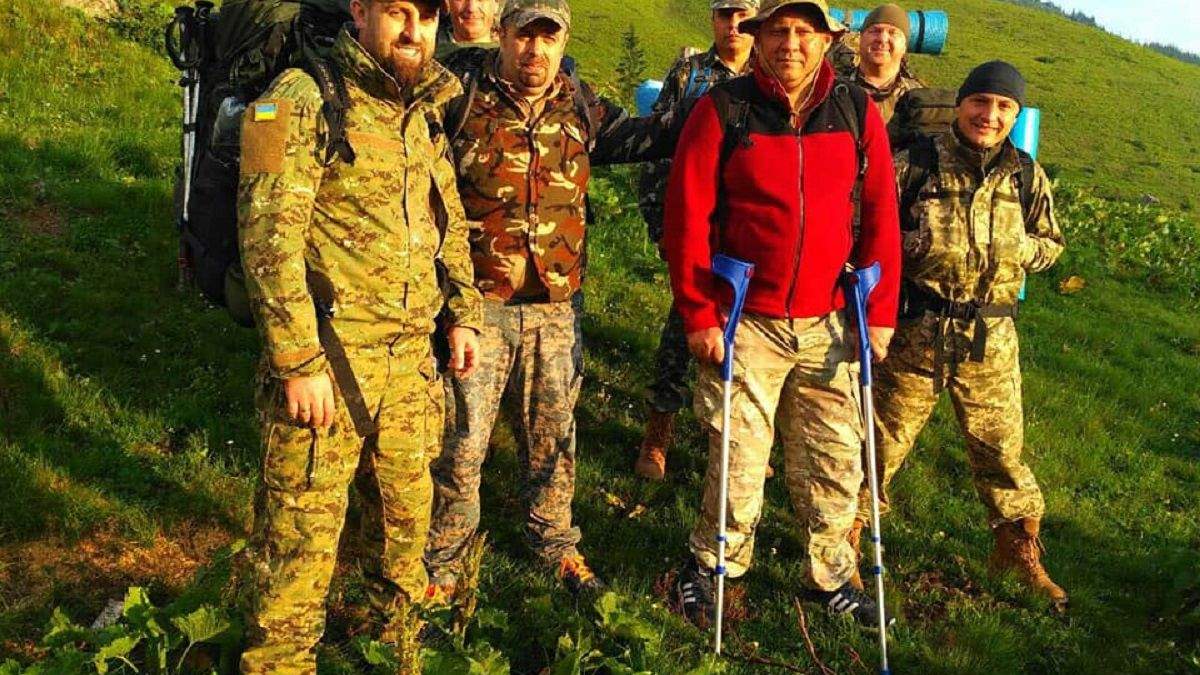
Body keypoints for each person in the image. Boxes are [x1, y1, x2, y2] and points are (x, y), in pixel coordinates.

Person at [235, 0, 482, 670]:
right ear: (360, 10)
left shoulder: (421, 107)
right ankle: (279, 661)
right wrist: (297, 360)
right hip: (328, 368)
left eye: (427, 18)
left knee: (402, 537)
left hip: (409, 371)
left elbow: (447, 215)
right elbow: (266, 238)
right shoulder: (299, 98)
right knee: (298, 547)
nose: (414, 32)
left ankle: (388, 647)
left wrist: (463, 311)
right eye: (398, 12)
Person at [425, 0, 678, 597]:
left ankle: (554, 543)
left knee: (554, 437)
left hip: (556, 308)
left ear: (563, 42)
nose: (535, 50)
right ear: (502, 34)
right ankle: (444, 561)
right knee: (462, 441)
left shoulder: (579, 104)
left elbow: (644, 137)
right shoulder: (458, 94)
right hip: (476, 307)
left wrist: (716, 107)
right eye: (524, 35)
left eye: (548, 38)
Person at [663, 0, 900, 629]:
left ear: (826, 41)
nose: (790, 43)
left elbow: (881, 215)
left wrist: (879, 313)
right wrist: (698, 313)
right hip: (748, 320)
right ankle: (712, 568)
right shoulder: (723, 110)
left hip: (829, 322)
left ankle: (831, 578)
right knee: (738, 458)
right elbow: (685, 217)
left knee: (834, 460)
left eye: (804, 32)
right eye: (777, 31)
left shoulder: (855, 112)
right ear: (758, 37)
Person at [849, 61, 1069, 611]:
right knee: (878, 444)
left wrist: (1021, 249)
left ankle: (1017, 551)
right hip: (916, 332)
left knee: (1001, 451)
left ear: (1015, 116)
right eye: (980, 102)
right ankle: (845, 542)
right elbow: (865, 230)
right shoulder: (915, 164)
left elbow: (1051, 243)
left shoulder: (1025, 175)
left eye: (1003, 107)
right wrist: (914, 249)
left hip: (991, 338)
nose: (989, 116)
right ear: (962, 104)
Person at [633, 0, 759, 482]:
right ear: (713, 20)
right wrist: (661, 226)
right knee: (682, 329)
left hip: (748, 231)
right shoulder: (690, 74)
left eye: (742, 16)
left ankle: (741, 438)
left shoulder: (770, 73)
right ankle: (658, 434)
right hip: (698, 229)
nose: (733, 26)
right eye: (725, 15)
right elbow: (658, 149)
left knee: (752, 338)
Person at [829, 3, 924, 123]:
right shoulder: (834, 90)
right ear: (860, 39)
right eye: (875, 31)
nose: (882, 39)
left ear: (904, 46)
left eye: (893, 33)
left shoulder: (918, 97)